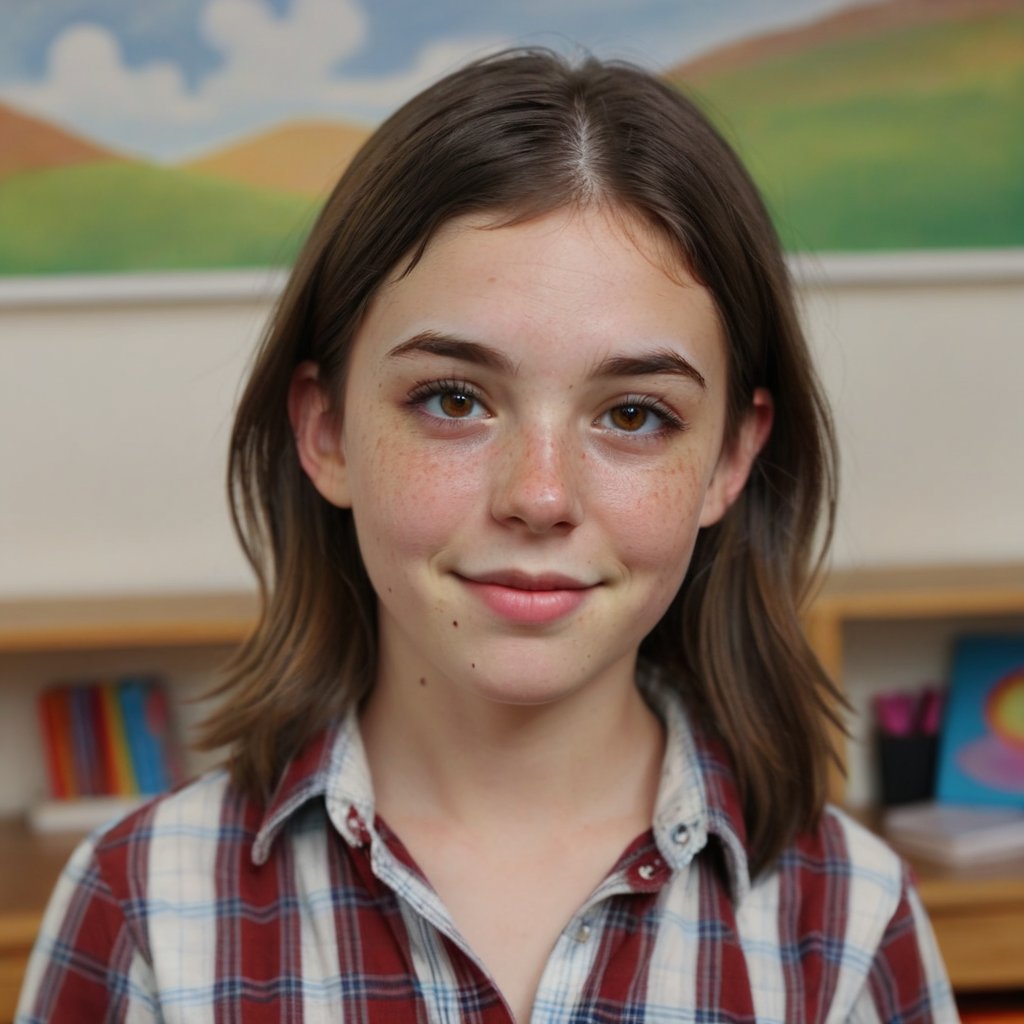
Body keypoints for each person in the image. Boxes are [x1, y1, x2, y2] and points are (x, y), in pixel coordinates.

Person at [17, 48, 957, 1023]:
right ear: (327, 429)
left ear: (728, 459)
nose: (539, 495)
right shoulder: (144, 914)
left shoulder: (847, 923)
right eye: (453, 398)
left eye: (634, 414)